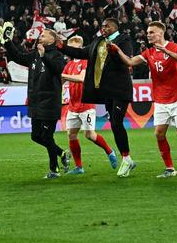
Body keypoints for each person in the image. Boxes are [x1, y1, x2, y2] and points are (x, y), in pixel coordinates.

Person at [111, 21, 177, 178]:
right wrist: (118, 51)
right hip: (160, 100)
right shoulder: (148, 52)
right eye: (148, 32)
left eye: (152, 32)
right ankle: (169, 168)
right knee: (159, 133)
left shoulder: (173, 46)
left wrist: (165, 51)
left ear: (161, 33)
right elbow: (131, 62)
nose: (148, 35)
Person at [58, 18, 136, 177]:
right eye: (102, 26)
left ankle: (126, 158)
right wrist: (62, 47)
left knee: (116, 122)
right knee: (114, 124)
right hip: (107, 91)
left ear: (115, 27)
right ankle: (126, 158)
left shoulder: (124, 40)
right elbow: (80, 52)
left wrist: (115, 52)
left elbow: (126, 61)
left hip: (120, 89)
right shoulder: (98, 41)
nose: (103, 28)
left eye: (107, 26)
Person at [2, 25, 69, 178]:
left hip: (50, 102)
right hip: (36, 101)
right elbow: (18, 56)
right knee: (36, 136)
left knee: (46, 137)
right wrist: (7, 42)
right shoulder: (34, 55)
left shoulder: (57, 55)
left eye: (44, 35)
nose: (41, 37)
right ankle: (62, 153)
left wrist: (45, 55)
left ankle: (54, 169)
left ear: (53, 39)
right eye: (41, 35)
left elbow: (59, 70)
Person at [60, 36, 117, 174]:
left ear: (79, 47)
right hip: (73, 105)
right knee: (71, 135)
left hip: (86, 104)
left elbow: (81, 79)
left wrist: (62, 76)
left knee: (90, 135)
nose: (70, 49)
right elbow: (62, 80)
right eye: (69, 46)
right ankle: (79, 167)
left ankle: (110, 151)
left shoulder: (86, 61)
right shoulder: (69, 64)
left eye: (73, 47)